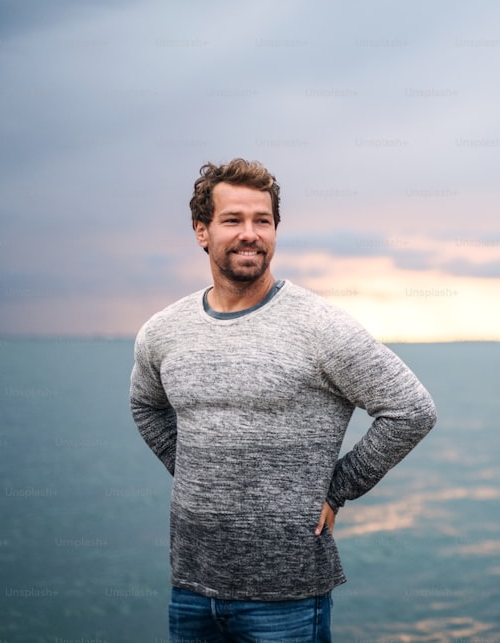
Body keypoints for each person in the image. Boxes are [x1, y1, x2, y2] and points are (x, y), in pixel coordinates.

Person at [130, 158, 437, 642]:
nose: (250, 233)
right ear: (201, 231)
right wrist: (191, 470)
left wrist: (338, 488)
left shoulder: (320, 327)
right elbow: (146, 406)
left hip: (288, 598)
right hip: (191, 586)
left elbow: (411, 410)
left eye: (263, 221)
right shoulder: (163, 331)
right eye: (233, 220)